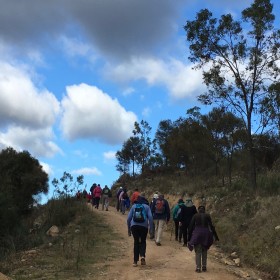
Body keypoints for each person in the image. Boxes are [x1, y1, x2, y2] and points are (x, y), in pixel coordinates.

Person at [188, 205, 219, 273]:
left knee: (198, 251)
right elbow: (211, 226)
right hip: (206, 234)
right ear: (204, 210)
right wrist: (216, 236)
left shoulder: (195, 216)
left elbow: (190, 226)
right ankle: (204, 266)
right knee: (204, 250)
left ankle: (198, 268)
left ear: (198, 210)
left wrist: (189, 238)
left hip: (197, 233)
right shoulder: (207, 216)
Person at [127, 194, 154, 267]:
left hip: (134, 226)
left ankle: (135, 261)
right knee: (143, 241)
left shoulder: (134, 206)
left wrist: (129, 229)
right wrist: (151, 229)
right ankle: (142, 256)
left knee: (136, 242)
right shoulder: (147, 207)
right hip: (144, 227)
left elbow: (128, 218)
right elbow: (151, 218)